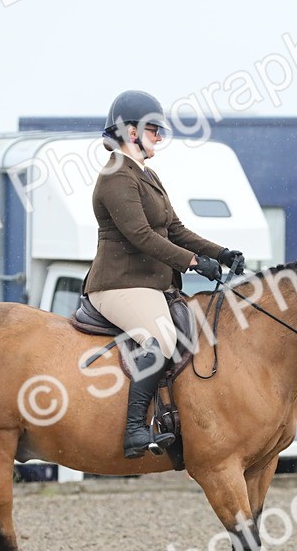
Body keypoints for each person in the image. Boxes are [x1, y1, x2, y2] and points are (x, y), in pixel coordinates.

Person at [84, 89, 245, 458]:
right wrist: (192, 263)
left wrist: (219, 252)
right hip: (118, 285)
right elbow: (139, 235)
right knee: (162, 339)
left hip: (150, 285)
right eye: (153, 128)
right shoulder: (115, 176)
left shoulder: (146, 175)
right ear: (130, 132)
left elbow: (175, 229)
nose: (159, 135)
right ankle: (134, 430)